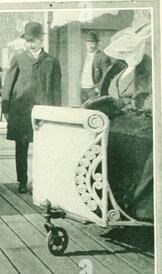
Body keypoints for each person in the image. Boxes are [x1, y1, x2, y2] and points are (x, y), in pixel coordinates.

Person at [83, 12, 153, 222]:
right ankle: (97, 197)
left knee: (118, 138)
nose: (128, 53)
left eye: (132, 50)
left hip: (140, 120)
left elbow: (148, 100)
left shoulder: (147, 69)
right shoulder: (120, 69)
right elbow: (111, 93)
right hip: (120, 119)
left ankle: (130, 202)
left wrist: (127, 106)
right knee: (96, 137)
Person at [1, 22, 62, 193]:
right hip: (21, 111)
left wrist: (56, 112)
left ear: (41, 40)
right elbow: (8, 85)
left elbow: (57, 90)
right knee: (21, 146)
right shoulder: (19, 58)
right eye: (27, 41)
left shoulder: (52, 62)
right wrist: (5, 108)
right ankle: (22, 180)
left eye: (33, 40)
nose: (30, 44)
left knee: (43, 147)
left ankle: (41, 181)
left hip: (43, 112)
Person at [80, 31, 111, 103]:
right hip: (83, 90)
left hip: (94, 91)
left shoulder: (103, 57)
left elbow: (106, 76)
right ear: (85, 44)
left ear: (97, 44)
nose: (90, 46)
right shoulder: (84, 56)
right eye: (88, 43)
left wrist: (97, 89)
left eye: (93, 43)